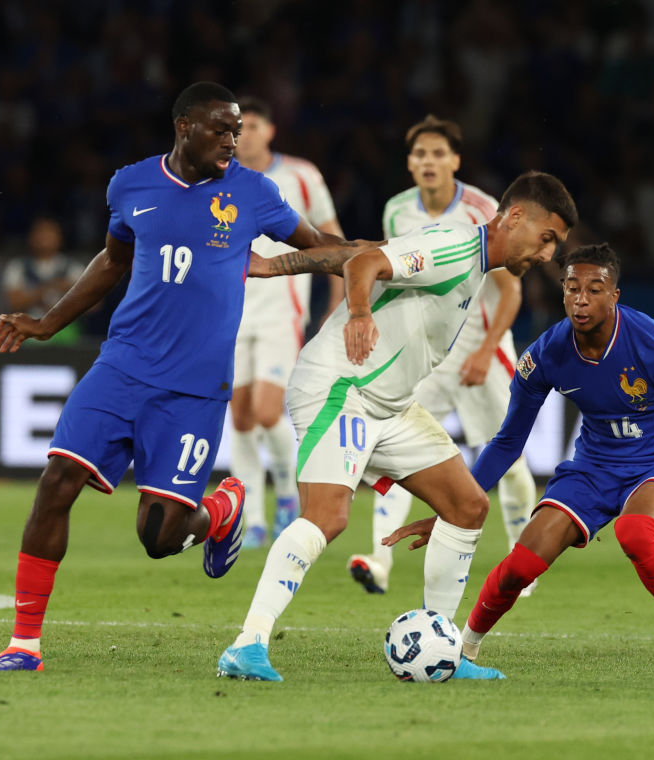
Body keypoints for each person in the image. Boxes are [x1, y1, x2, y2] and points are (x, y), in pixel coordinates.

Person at [0, 82, 356, 672]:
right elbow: (114, 260)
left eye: (238, 130)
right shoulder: (131, 184)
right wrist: (49, 323)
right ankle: (24, 644)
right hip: (122, 365)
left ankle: (218, 514)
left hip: (194, 390)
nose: (233, 141)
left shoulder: (252, 191)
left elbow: (320, 247)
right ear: (184, 127)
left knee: (158, 539)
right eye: (221, 129)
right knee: (56, 482)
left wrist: (386, 259)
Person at [216, 171, 578, 682]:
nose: (547, 255)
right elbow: (366, 264)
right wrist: (359, 312)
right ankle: (247, 642)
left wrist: (275, 266)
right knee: (328, 517)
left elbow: (362, 249)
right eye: (547, 239)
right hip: (342, 388)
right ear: (515, 216)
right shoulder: (456, 248)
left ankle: (444, 652)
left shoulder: (467, 258)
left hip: (390, 405)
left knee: (467, 505)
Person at [385, 243, 654, 678]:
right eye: (571, 288)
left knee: (636, 532)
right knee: (520, 565)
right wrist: (452, 508)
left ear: (614, 295)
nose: (581, 300)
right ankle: (462, 649)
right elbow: (507, 441)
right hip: (594, 466)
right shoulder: (546, 355)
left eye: (594, 290)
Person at [347, 115, 537, 596]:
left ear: (455, 160)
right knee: (395, 455)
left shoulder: (482, 209)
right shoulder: (396, 212)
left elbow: (510, 293)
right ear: (409, 164)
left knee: (509, 460)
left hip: (481, 349)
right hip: (426, 354)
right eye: (420, 154)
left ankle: (523, 561)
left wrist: (486, 349)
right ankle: (379, 560)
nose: (428, 162)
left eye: (438, 154)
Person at [231, 97, 345, 549]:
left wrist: (338, 301)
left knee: (265, 411)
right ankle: (251, 519)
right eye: (239, 128)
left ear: (271, 130)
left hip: (282, 311)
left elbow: (329, 238)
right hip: (233, 311)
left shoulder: (301, 175)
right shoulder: (219, 177)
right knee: (239, 419)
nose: (246, 135)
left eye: (254, 125)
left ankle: (286, 496)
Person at [1, 217, 85, 344]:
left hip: (64, 329)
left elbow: (94, 304)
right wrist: (42, 291)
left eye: (50, 232)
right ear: (31, 237)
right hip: (29, 328)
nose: (45, 237)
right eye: (40, 232)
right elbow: (13, 302)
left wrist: (68, 289)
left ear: (60, 237)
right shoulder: (18, 267)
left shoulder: (73, 268)